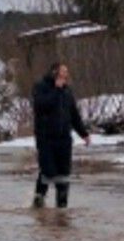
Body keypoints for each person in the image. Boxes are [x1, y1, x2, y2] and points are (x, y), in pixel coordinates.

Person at [32, 62, 91, 208]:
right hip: (46, 138)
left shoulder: (67, 91)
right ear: (54, 73)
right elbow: (40, 106)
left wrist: (83, 134)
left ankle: (62, 209)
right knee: (49, 171)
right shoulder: (41, 87)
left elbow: (74, 115)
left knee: (64, 173)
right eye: (63, 71)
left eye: (67, 72)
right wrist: (56, 91)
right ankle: (39, 200)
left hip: (64, 139)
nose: (66, 74)